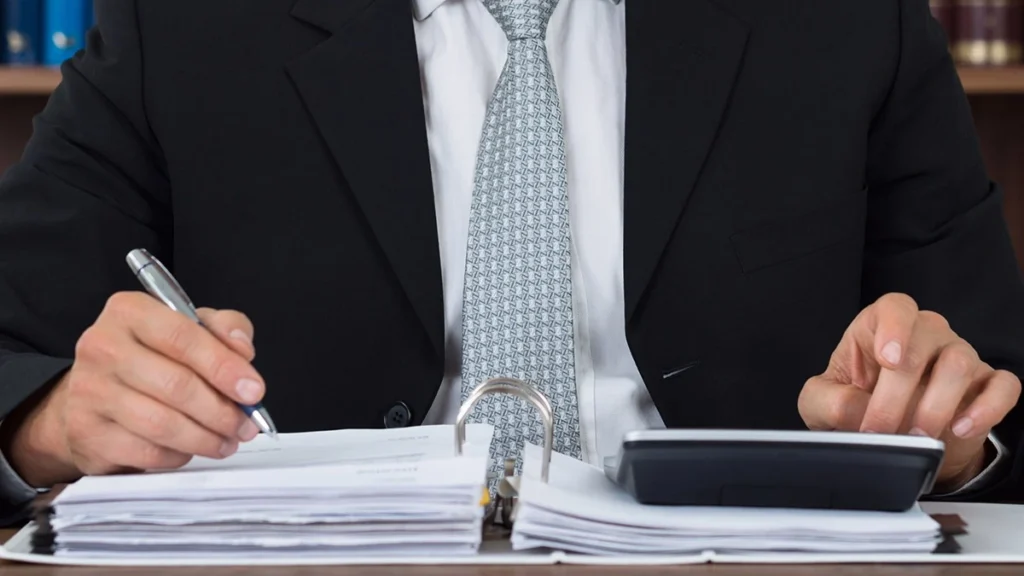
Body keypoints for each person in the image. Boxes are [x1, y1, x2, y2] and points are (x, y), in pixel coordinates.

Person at [0, 0, 1021, 522]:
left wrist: (947, 430)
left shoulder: (848, 22)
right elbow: (14, 348)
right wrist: (48, 425)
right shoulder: (182, 24)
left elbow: (995, 391)